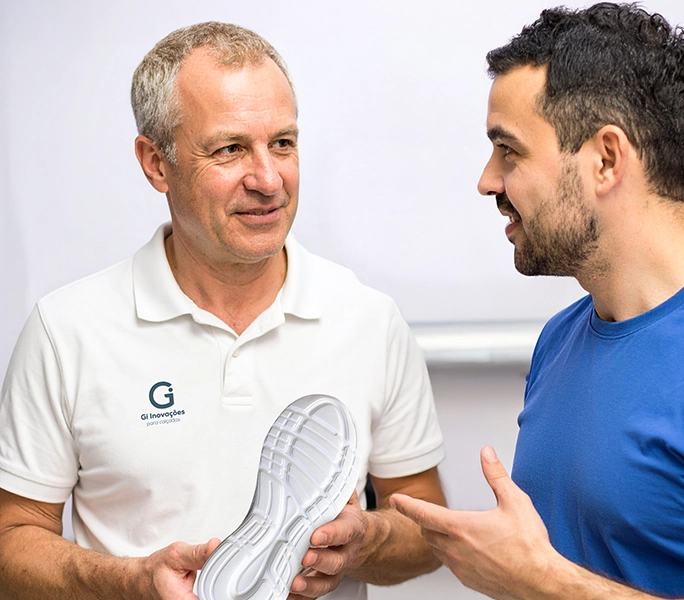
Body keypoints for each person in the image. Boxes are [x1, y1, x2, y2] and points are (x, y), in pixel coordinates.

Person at [0, 22, 447, 600]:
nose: (268, 179)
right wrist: (131, 582)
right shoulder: (66, 331)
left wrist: (367, 542)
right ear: (156, 163)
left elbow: (428, 528)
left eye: (282, 143)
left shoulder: (368, 319)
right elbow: (11, 543)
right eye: (230, 149)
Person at [391, 3, 684, 599]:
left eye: (509, 151)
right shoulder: (561, 339)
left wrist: (543, 582)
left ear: (606, 159)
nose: (487, 180)